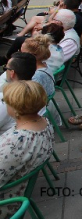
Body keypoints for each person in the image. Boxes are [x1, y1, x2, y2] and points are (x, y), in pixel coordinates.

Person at [0, 81, 54, 209]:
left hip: (7, 203)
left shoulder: (17, 141)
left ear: (15, 105)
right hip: (19, 192)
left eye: (5, 101)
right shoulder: (44, 123)